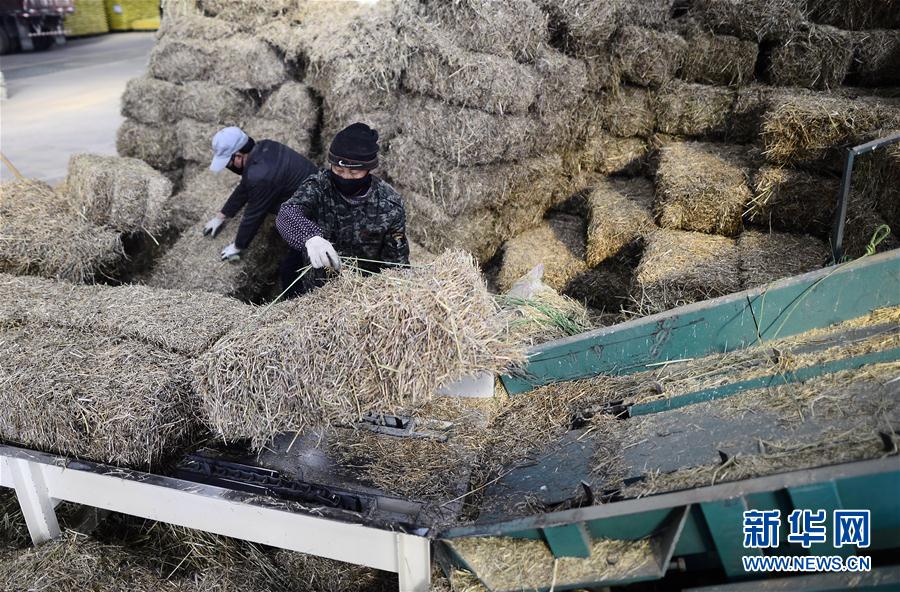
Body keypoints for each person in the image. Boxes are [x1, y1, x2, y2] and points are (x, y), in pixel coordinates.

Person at [276, 122, 409, 296]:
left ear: (368, 169)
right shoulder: (319, 186)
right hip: (318, 292)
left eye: (353, 173)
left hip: (363, 296)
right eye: (338, 170)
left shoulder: (389, 205)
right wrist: (310, 237)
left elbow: (396, 266)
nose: (345, 177)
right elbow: (287, 213)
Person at [203, 127, 317, 261]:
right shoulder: (265, 146)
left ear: (238, 156)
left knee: (289, 270)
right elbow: (245, 186)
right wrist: (221, 215)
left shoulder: (260, 175)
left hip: (316, 211)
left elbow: (253, 215)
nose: (228, 167)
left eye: (228, 163)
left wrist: (238, 246)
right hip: (312, 188)